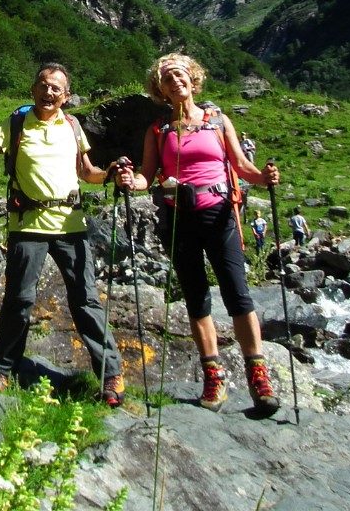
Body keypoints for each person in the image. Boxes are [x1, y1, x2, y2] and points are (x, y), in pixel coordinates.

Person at [0, 62, 125, 406]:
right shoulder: (14, 123)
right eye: (43, 85)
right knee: (19, 301)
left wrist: (112, 176)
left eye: (56, 88)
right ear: (33, 89)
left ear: (66, 96)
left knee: (86, 300)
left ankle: (110, 376)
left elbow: (88, 173)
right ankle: (2, 369)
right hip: (27, 224)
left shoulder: (73, 127)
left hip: (70, 225)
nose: (49, 92)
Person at [115, 52, 281, 415]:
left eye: (180, 75)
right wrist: (132, 181)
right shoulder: (158, 131)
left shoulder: (218, 121)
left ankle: (258, 375)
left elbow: (241, 166)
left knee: (238, 295)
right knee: (196, 298)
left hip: (220, 215)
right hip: (180, 220)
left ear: (193, 78)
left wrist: (263, 177)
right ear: (160, 89)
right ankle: (213, 375)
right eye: (167, 79)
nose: (175, 81)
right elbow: (147, 175)